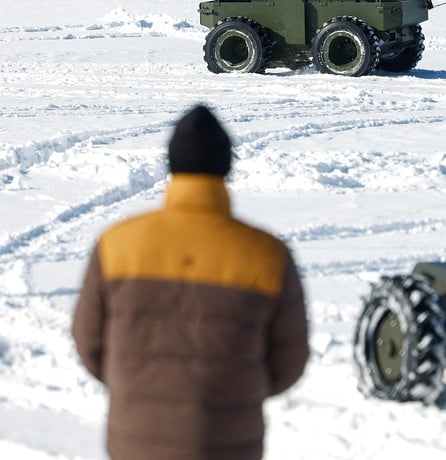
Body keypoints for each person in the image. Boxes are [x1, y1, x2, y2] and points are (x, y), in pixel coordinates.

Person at [72, 104, 309, 460]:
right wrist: (239, 390)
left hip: (136, 439)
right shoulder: (268, 255)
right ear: (226, 165)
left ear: (172, 163)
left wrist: (137, 386)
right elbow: (289, 362)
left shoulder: (117, 244)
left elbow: (89, 343)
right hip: (229, 441)